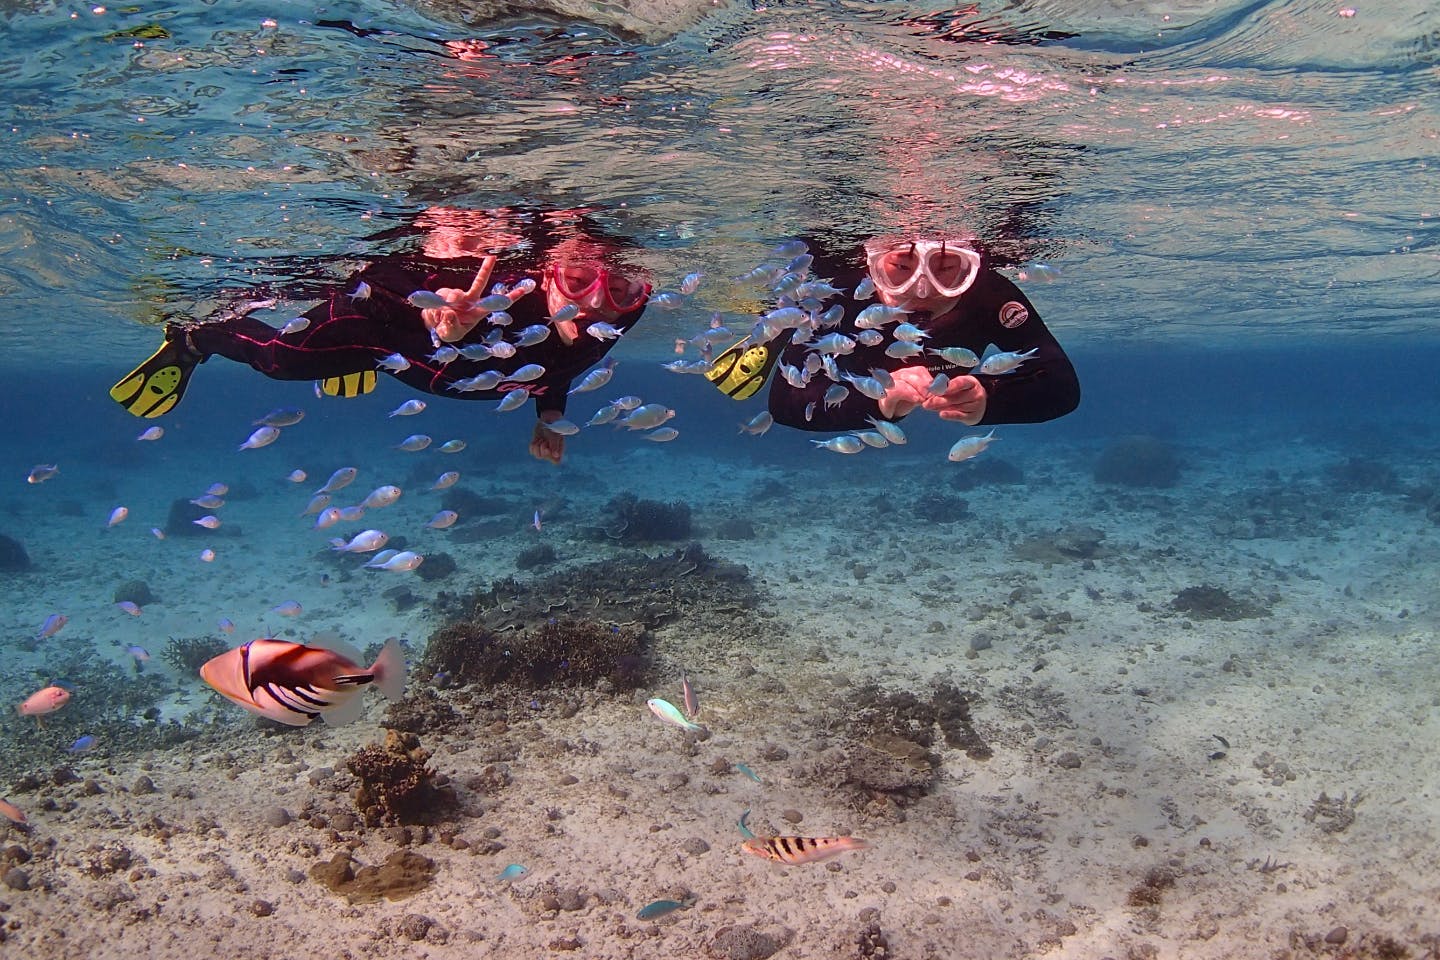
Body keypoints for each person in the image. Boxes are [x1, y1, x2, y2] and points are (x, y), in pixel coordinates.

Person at [109, 208, 652, 464]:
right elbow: (377, 280)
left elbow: (560, 362)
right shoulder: (494, 277)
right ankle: (195, 338)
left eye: (622, 292)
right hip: (387, 335)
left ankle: (350, 364)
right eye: (578, 282)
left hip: (434, 377)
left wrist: (549, 415)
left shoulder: (622, 309)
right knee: (279, 359)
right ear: (551, 272)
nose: (597, 305)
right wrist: (435, 319)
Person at [707, 234, 1079, 431]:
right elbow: (785, 402)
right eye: (900, 266)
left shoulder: (989, 294)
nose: (922, 290)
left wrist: (991, 396)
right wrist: (876, 403)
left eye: (947, 268)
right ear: (871, 266)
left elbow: (1061, 385)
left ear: (973, 268)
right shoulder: (841, 294)